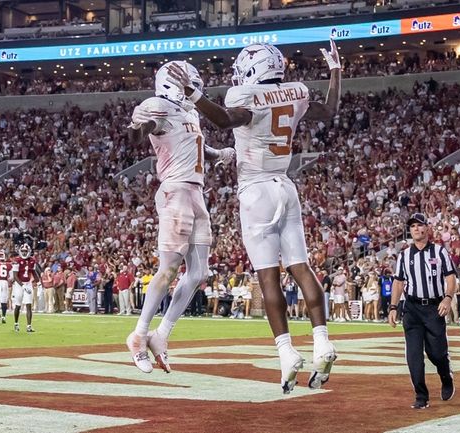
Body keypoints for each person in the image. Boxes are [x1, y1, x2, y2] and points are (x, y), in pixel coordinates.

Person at [165, 40, 341, 392]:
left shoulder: (247, 98)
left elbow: (226, 120)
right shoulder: (295, 92)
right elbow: (329, 109)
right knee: (301, 266)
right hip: (285, 185)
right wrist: (336, 72)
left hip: (256, 190)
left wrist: (194, 95)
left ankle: (286, 352)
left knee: (268, 277)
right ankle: (322, 341)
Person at [125, 60, 234, 374]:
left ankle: (161, 335)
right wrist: (137, 129)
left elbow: (194, 145)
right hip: (175, 193)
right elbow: (140, 135)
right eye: (189, 84)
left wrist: (219, 153)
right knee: (170, 268)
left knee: (199, 273)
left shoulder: (189, 113)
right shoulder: (158, 107)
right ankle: (139, 334)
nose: (193, 90)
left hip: (196, 193)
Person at [388, 213, 457, 409]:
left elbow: (451, 278)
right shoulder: (404, 255)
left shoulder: (439, 252)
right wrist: (393, 307)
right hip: (412, 309)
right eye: (413, 227)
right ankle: (421, 396)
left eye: (419, 225)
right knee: (414, 356)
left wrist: (447, 297)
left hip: (434, 308)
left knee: (436, 353)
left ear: (427, 228)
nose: (416, 229)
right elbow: (398, 282)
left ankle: (446, 375)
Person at [12, 243, 39, 332]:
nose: (24, 253)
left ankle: (29, 326)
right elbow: (15, 276)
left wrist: (38, 281)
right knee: (18, 305)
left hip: (28, 283)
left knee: (28, 305)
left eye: (25, 251)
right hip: (19, 284)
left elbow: (34, 272)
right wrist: (22, 286)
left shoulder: (32, 260)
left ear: (29, 252)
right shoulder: (17, 260)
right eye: (22, 251)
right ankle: (16, 323)